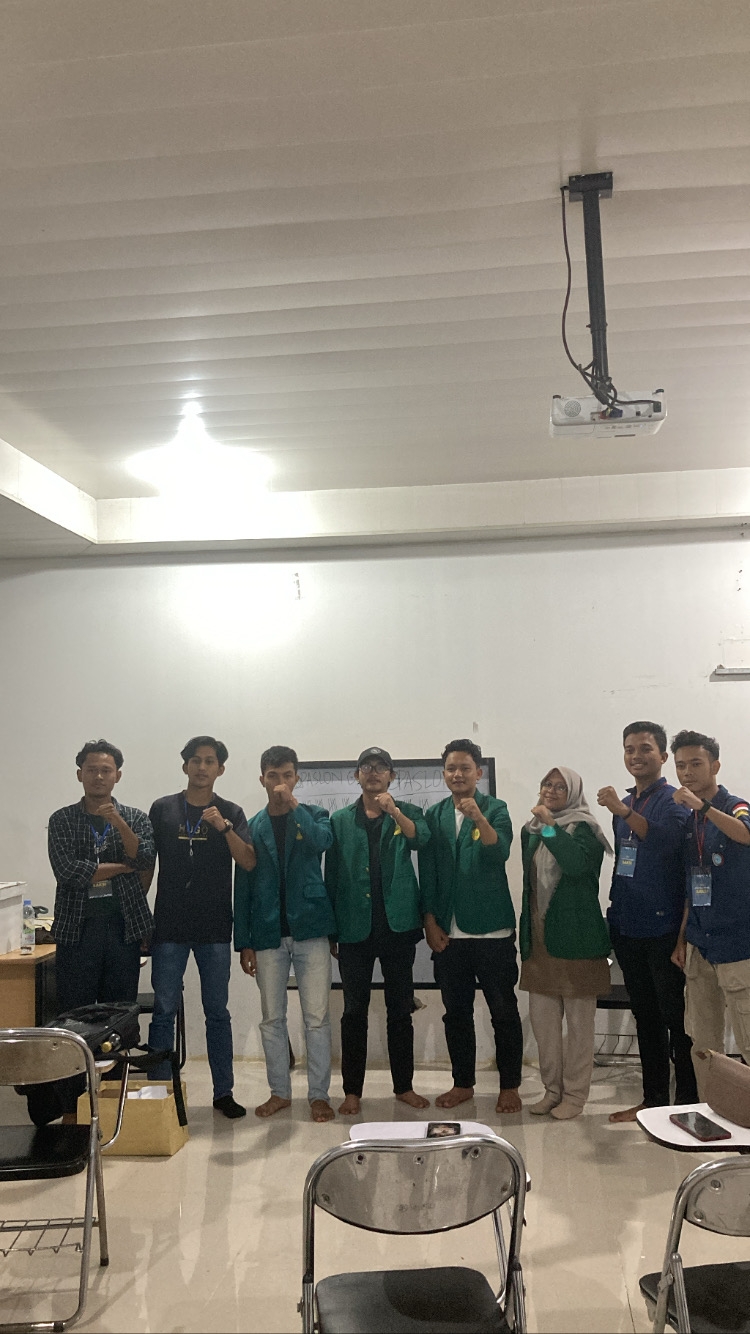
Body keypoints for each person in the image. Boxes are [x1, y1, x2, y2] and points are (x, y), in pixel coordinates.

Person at [146, 736, 255, 1119]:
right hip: (169, 925)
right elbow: (147, 864)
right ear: (185, 766)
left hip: (214, 927)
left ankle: (223, 1093)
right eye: (196, 760)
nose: (202, 767)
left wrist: (224, 828)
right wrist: (142, 918)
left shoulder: (231, 811)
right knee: (163, 1010)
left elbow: (248, 861)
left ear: (220, 769)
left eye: (210, 761)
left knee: (217, 1012)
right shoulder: (162, 809)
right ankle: (158, 1094)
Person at [46, 739, 155, 1118]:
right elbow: (69, 871)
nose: (98, 776)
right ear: (80, 774)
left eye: (106, 770)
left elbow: (144, 856)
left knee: (119, 1017)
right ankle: (72, 1107)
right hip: (77, 931)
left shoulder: (135, 817)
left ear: (117, 776)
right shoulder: (62, 819)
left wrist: (118, 823)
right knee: (73, 1018)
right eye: (91, 769)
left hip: (123, 930)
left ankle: (113, 1105)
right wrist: (124, 867)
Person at [597, 721, 698, 1123]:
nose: (635, 756)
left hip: (664, 928)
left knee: (676, 1019)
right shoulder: (626, 802)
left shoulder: (673, 800)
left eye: (644, 748)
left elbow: (664, 843)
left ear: (662, 756)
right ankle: (653, 1101)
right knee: (645, 1016)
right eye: (629, 749)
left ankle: (688, 1104)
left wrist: (623, 811)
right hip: (628, 924)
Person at [325, 746, 431, 1116]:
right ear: (357, 775)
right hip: (354, 928)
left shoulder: (408, 812)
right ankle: (352, 1091)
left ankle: (404, 1087)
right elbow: (332, 875)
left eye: (381, 767)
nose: (373, 772)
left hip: (397, 926)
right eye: (366, 767)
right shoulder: (339, 820)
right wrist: (332, 930)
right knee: (354, 1011)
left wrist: (394, 811)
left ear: (392, 776)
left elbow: (421, 840)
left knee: (400, 1009)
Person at [419, 738, 523, 1114]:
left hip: (492, 931)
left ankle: (509, 1086)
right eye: (451, 768)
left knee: (503, 1011)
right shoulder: (434, 815)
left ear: (478, 772)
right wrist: (430, 921)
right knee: (456, 1013)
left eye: (465, 768)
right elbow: (428, 872)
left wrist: (478, 817)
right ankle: (463, 1083)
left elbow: (498, 852)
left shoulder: (496, 809)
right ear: (444, 774)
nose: (458, 774)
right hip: (450, 934)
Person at [234, 745, 336, 1124]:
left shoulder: (314, 815)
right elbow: (242, 885)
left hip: (311, 928)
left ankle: (319, 1095)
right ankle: (279, 1092)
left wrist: (293, 806)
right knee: (271, 1018)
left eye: (287, 775)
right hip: (266, 933)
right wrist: (244, 941)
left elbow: (322, 843)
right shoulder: (251, 826)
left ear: (297, 778)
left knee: (317, 1017)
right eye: (273, 776)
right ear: (261, 778)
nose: (280, 783)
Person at [520, 767, 612, 1120]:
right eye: (548, 784)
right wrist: (544, 825)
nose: (552, 790)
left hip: (577, 940)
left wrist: (550, 826)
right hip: (540, 941)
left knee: (579, 1029)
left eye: (561, 786)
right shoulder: (530, 831)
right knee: (544, 1027)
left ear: (573, 793)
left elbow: (574, 865)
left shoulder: (586, 829)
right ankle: (551, 1091)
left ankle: (575, 1096)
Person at [670, 730, 750, 1094]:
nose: (687, 772)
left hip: (737, 945)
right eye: (680, 766)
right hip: (700, 944)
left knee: (747, 1042)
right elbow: (692, 887)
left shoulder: (734, 805)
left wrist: (702, 806)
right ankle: (710, 1110)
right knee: (702, 1044)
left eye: (695, 764)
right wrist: (682, 939)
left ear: (715, 766)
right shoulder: (690, 821)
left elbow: (746, 833)